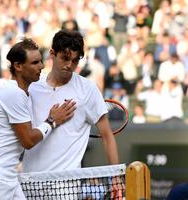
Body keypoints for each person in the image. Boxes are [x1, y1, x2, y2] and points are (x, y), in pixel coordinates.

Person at [0, 38, 76, 200]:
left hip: (4, 177)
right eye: (35, 62)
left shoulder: (19, 93)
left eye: (41, 61)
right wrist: (52, 121)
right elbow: (28, 140)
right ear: (18, 66)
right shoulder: (13, 92)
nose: (41, 66)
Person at [22, 29, 119, 173]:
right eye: (65, 58)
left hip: (67, 184)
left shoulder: (88, 89)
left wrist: (116, 176)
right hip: (31, 181)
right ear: (52, 54)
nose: (69, 65)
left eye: (75, 60)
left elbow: (107, 135)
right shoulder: (31, 86)